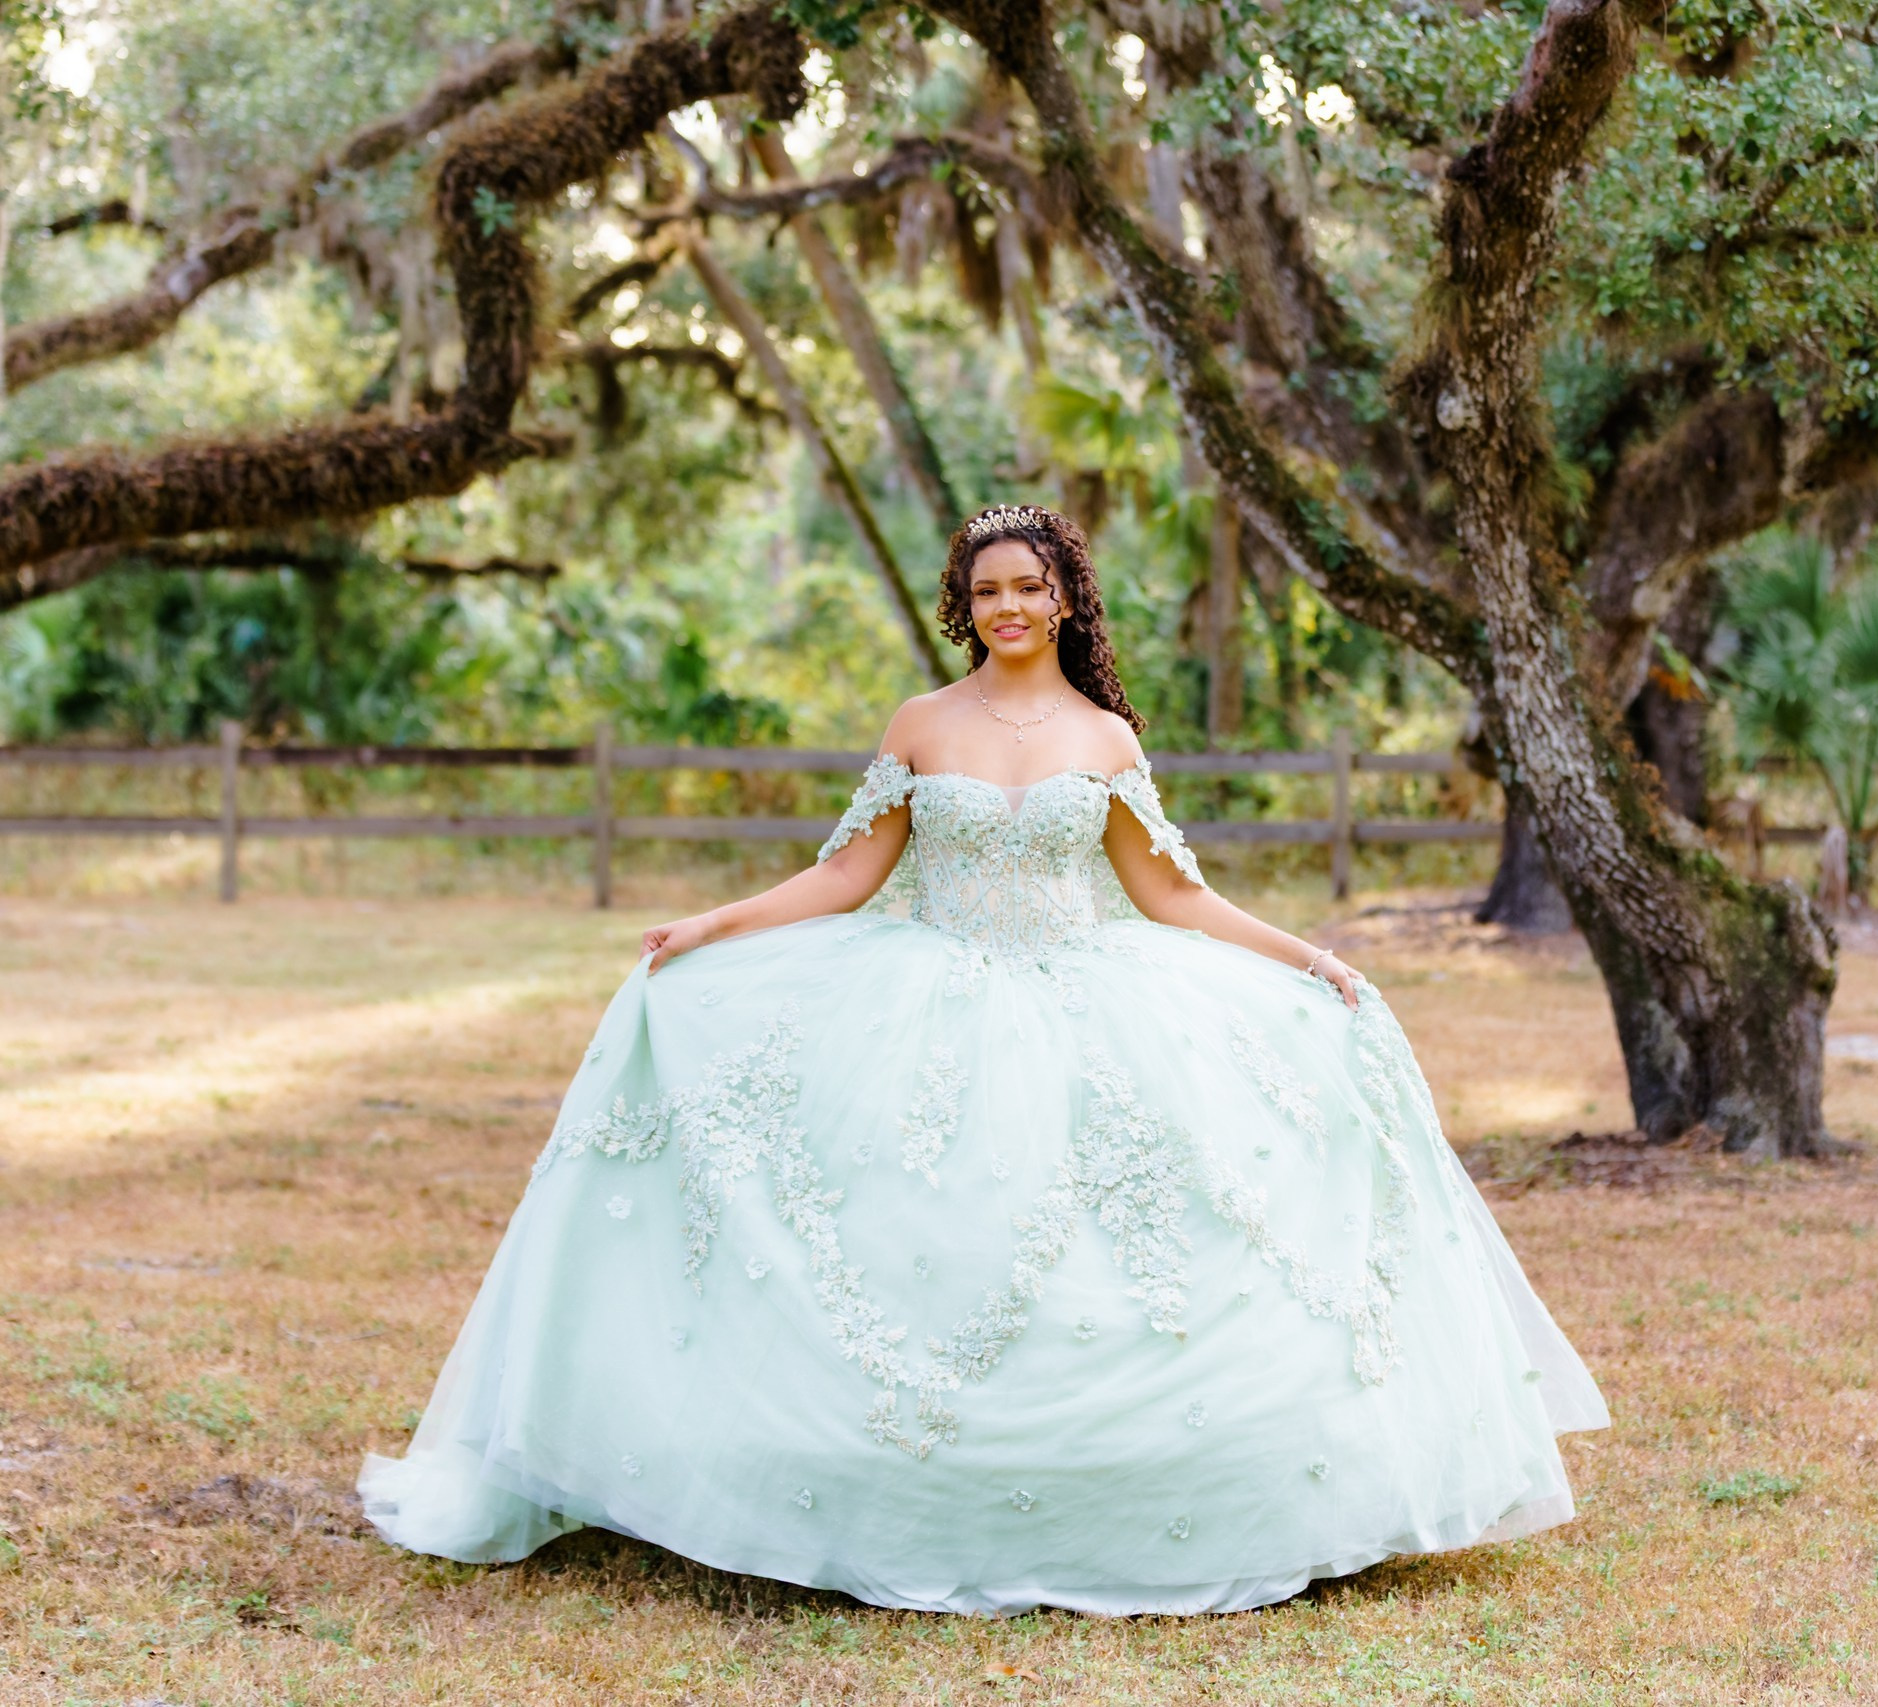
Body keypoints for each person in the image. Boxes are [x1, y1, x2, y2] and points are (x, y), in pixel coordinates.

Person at [360, 504, 1607, 1614]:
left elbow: (1172, 900)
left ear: (1065, 596)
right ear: (966, 604)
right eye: (987, 589)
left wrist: (1306, 959)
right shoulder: (921, 722)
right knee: (909, 1226)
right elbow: (850, 875)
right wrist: (713, 926)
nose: (1009, 607)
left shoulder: (1106, 739)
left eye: (1029, 585)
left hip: (1092, 999)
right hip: (923, 998)